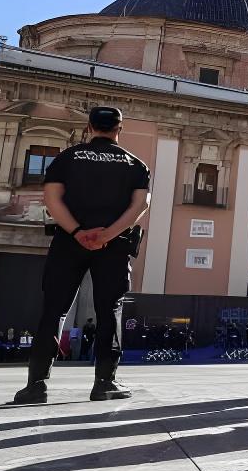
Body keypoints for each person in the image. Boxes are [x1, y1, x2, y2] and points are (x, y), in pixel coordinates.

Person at [12, 106, 150, 404]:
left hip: (68, 243)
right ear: (119, 129)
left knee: (54, 310)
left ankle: (35, 385)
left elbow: (51, 198)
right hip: (113, 247)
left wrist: (76, 232)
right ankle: (105, 383)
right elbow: (140, 206)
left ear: (89, 127)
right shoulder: (136, 165)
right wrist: (107, 235)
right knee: (109, 312)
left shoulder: (66, 158)